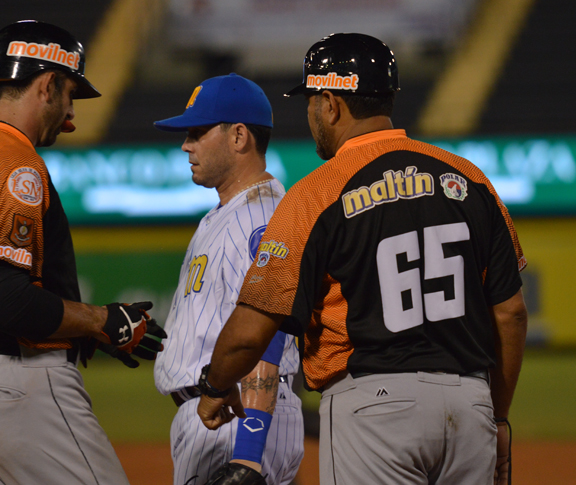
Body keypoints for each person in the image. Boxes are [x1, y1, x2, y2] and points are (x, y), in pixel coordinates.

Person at [196, 33, 528, 485]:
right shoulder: (469, 179)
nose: (311, 112)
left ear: (331, 104)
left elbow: (251, 330)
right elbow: (509, 314)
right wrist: (499, 417)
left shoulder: (316, 194)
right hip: (471, 406)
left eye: (313, 100)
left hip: (374, 406)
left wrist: (215, 385)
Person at [0, 20, 165, 485]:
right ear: (49, 84)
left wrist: (83, 330)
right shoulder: (15, 164)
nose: (71, 111)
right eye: (71, 93)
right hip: (20, 387)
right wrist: (100, 319)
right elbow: (6, 299)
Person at [153, 73, 304, 485]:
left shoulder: (262, 217)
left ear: (239, 137)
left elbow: (268, 327)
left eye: (198, 132)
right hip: (218, 411)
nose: (186, 144)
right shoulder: (232, 211)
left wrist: (250, 453)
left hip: (240, 414)